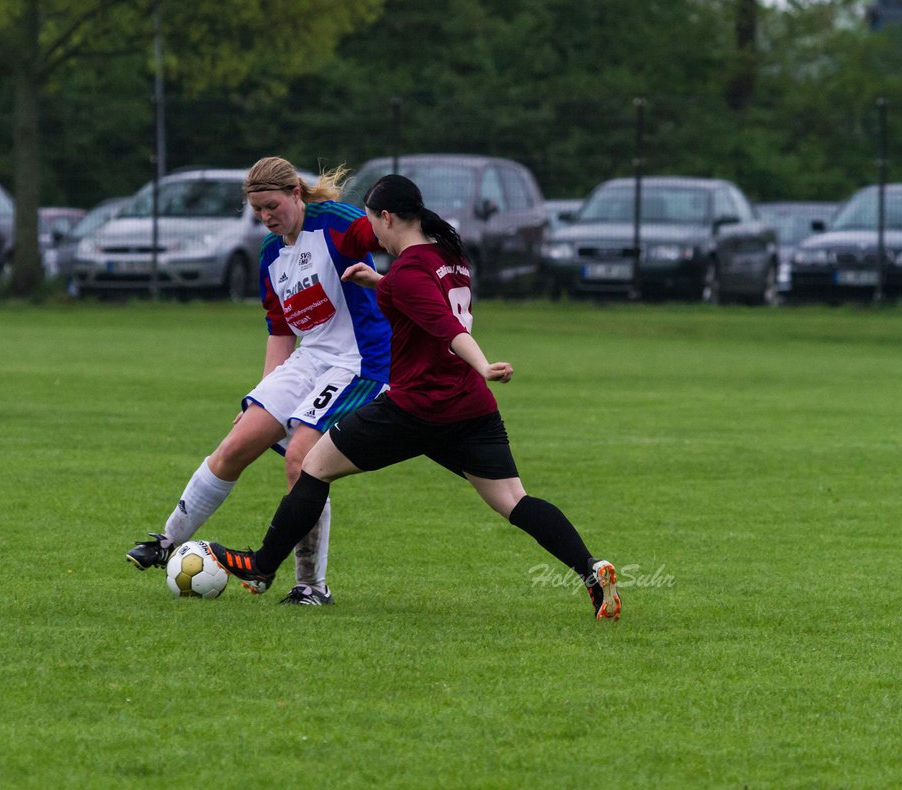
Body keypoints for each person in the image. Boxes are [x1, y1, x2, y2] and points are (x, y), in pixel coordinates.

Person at [209, 173, 621, 619]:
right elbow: (421, 295)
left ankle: (260, 566)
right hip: (469, 410)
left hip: (413, 409)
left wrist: (482, 364)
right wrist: (377, 283)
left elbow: (445, 327)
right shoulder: (448, 254)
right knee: (514, 501)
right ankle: (591, 569)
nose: (373, 236)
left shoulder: (406, 273)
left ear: (387, 217)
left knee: (312, 467)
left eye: (373, 223)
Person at [126, 156, 392, 606]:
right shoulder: (271, 254)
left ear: (295, 193)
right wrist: (264, 397)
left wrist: (426, 268)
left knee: (303, 461)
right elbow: (281, 329)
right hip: (310, 360)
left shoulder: (336, 224)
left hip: (360, 362)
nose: (267, 218)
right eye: (258, 212)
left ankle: (310, 585)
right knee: (237, 443)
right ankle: (167, 542)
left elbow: (389, 231)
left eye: (273, 207)